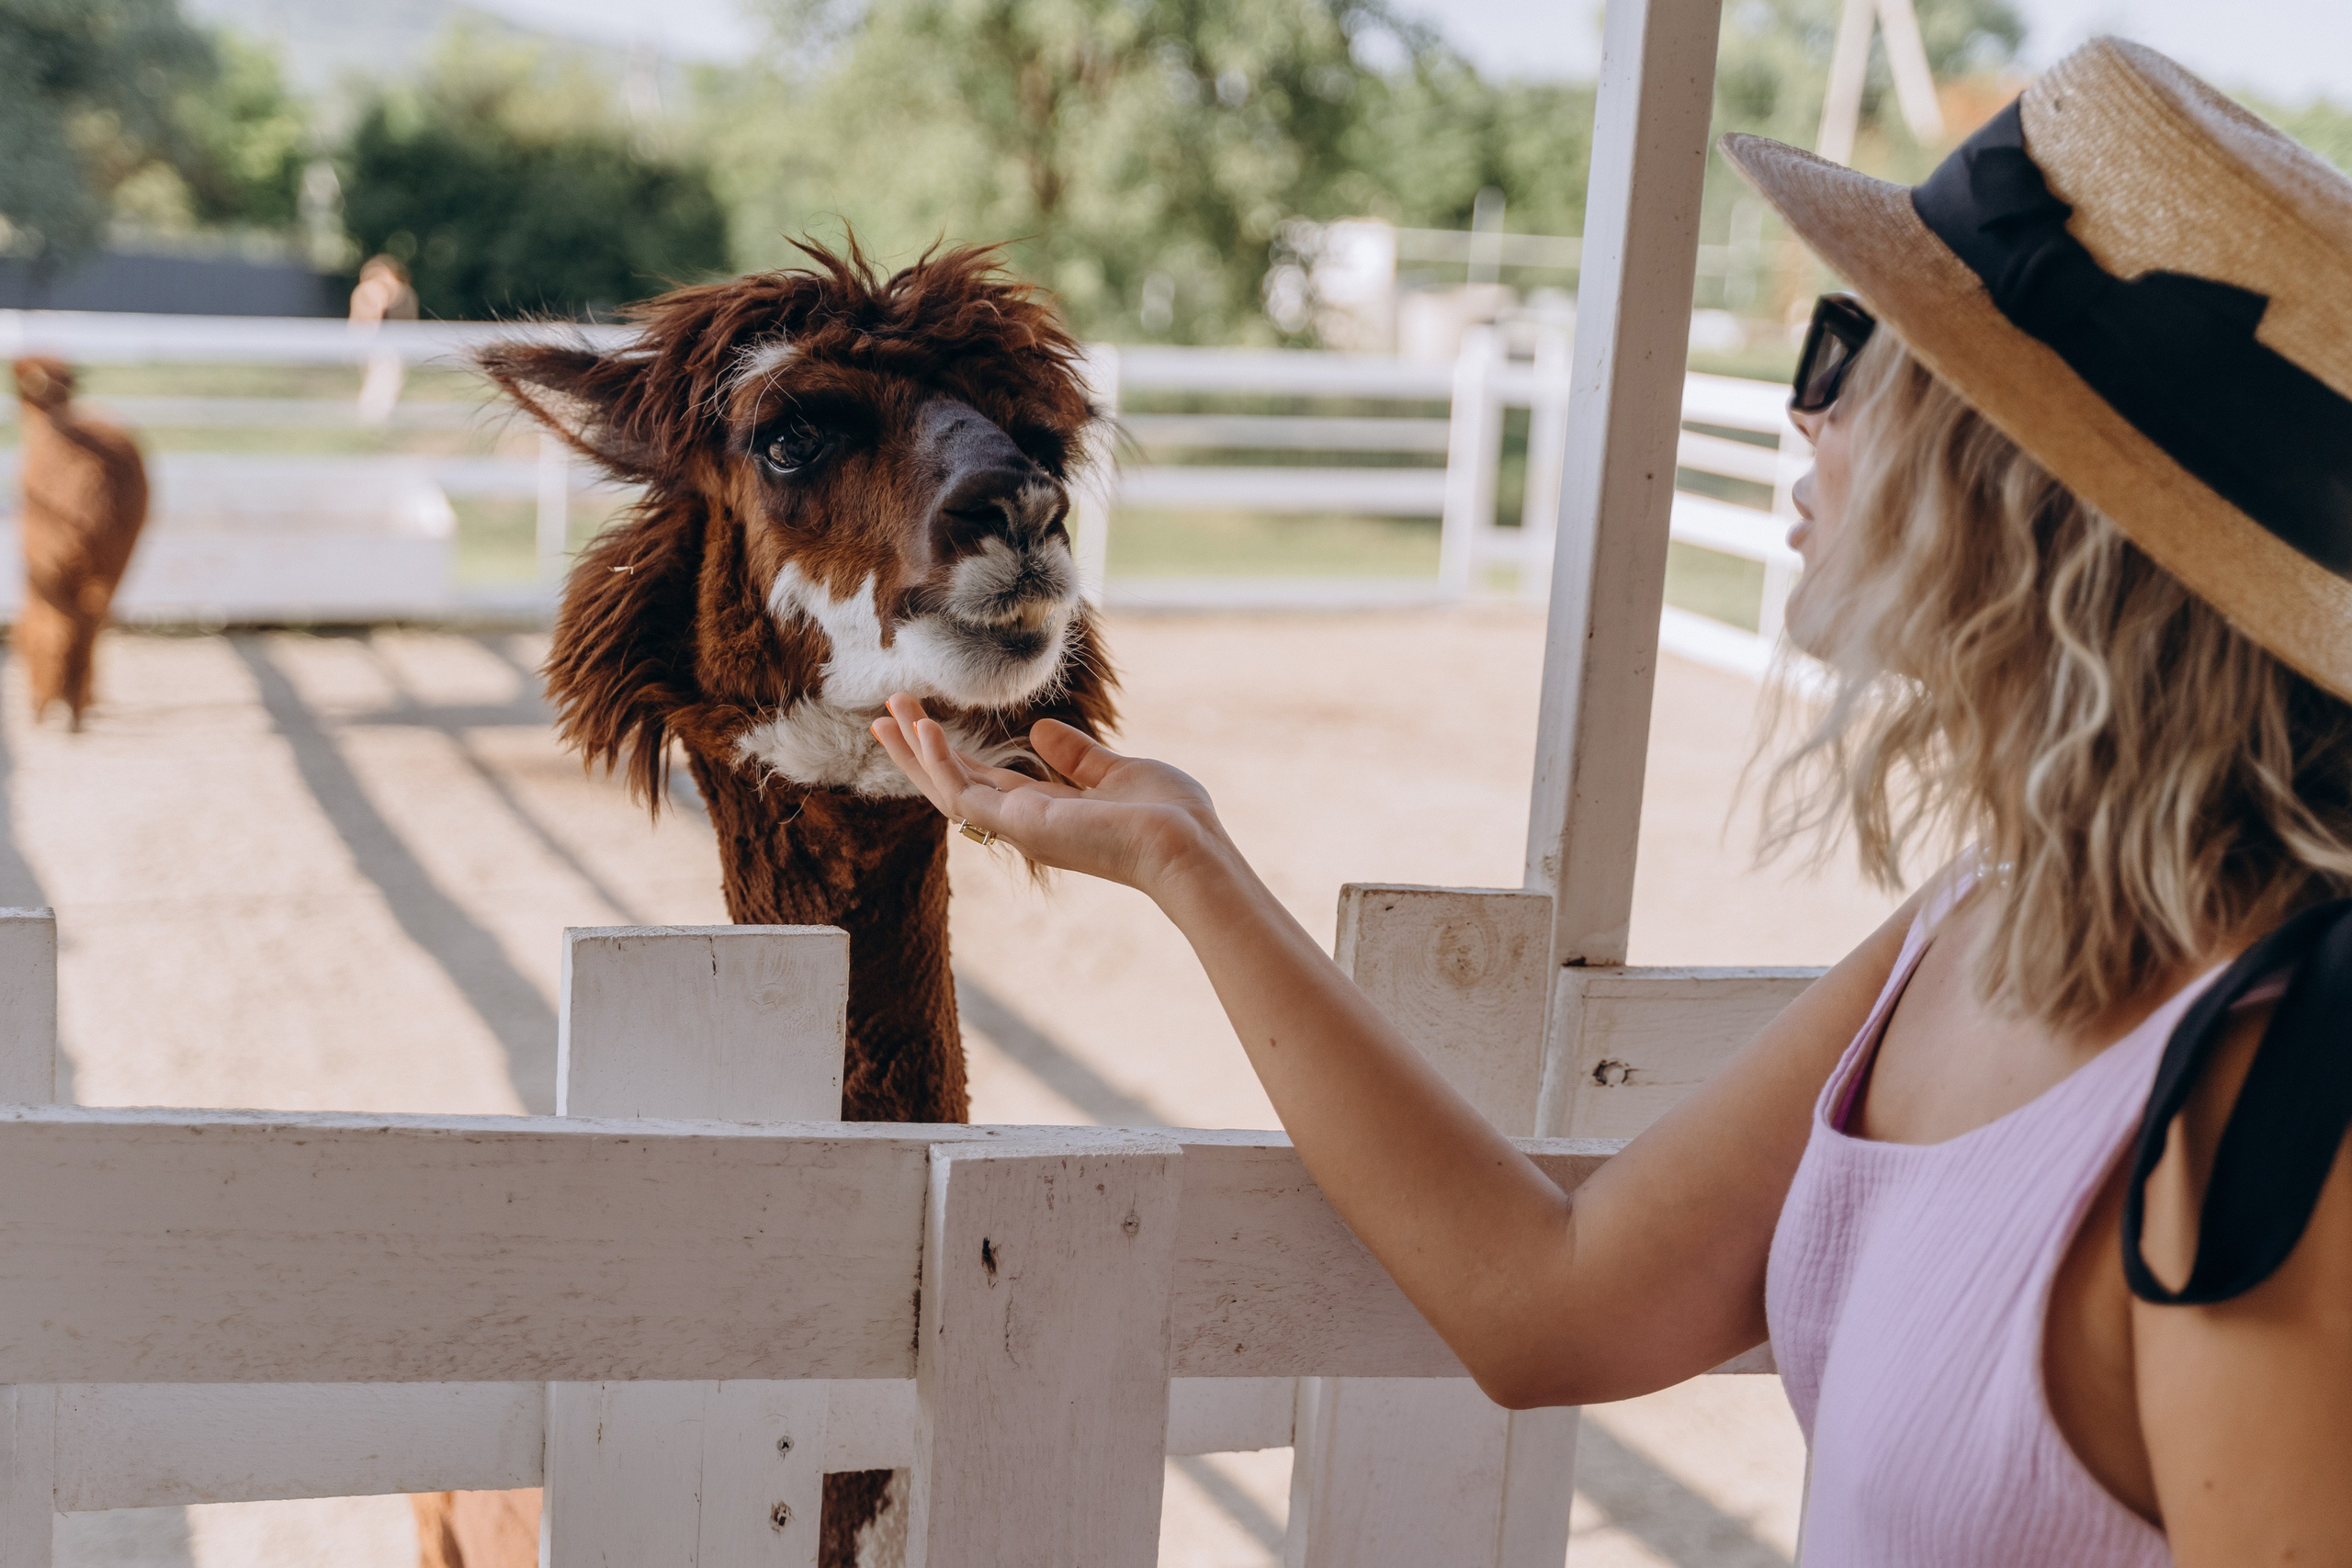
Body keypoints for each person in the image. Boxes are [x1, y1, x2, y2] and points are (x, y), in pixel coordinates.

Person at [875, 38, 2352, 1566]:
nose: (1806, 414)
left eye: (1850, 347)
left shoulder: (2281, 1104)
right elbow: (1554, 1302)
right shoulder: (1985, 918)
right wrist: (1182, 858)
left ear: (2018, 488)